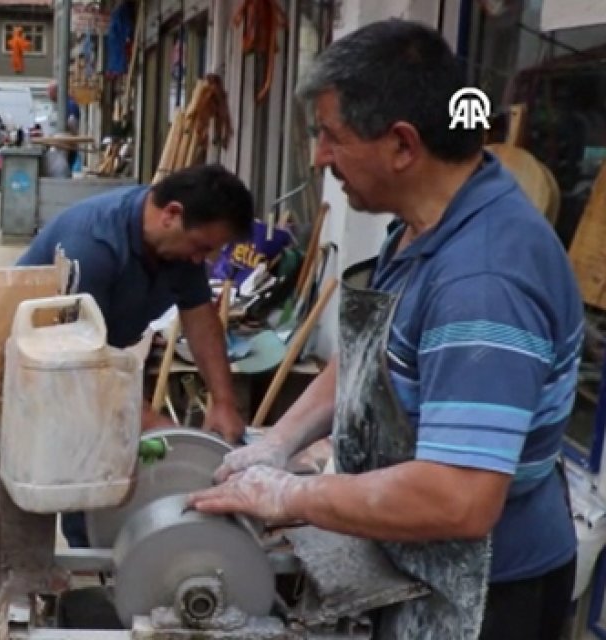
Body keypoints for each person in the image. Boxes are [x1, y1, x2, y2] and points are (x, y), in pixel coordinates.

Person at [188, 19, 581, 640]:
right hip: (413, 559)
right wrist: (275, 446)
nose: (319, 156)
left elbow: (459, 498)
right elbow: (370, 360)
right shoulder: (425, 223)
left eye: (331, 136)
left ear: (401, 145)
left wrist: (289, 497)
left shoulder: (482, 282)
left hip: (486, 596)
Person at [16, 164, 255, 548]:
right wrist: (160, 428)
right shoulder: (93, 247)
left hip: (94, 356)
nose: (201, 261)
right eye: (201, 248)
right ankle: (71, 573)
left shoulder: (179, 249)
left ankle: (97, 556)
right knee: (60, 478)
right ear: (171, 214)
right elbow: (82, 369)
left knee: (114, 460)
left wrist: (223, 403)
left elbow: (200, 319)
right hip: (39, 366)